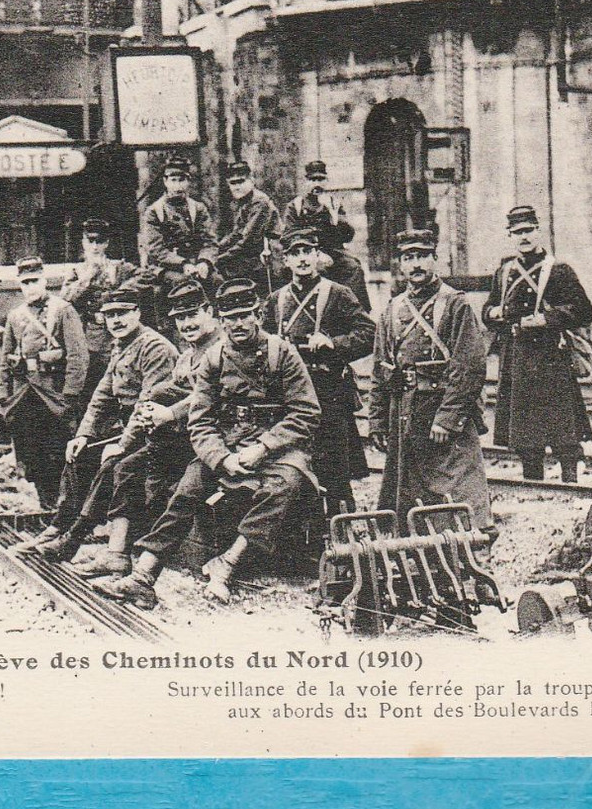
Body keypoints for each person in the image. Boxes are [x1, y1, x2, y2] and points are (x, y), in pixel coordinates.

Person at [96, 279, 320, 608]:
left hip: (278, 445)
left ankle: (227, 563)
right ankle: (144, 576)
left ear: (258, 314)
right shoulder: (213, 359)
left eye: (245, 315)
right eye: (231, 317)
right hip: (227, 442)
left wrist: (264, 447)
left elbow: (306, 411)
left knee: (285, 485)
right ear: (221, 319)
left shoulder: (281, 353)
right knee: (189, 488)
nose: (239, 324)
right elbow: (200, 418)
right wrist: (220, 458)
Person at [72, 280, 219, 580]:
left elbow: (210, 394)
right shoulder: (188, 352)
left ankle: (107, 548)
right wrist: (152, 403)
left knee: (141, 471)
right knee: (125, 467)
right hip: (185, 435)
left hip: (214, 440)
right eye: (180, 317)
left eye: (193, 314)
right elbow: (172, 387)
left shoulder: (220, 348)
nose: (187, 323)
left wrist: (166, 411)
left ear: (209, 312)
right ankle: (115, 554)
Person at [23, 287, 177, 560]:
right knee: (80, 453)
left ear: (138, 313)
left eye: (123, 313)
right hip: (132, 426)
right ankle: (59, 525)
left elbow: (147, 404)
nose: (116, 320)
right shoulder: (121, 344)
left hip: (159, 430)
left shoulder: (155, 347)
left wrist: (122, 444)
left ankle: (74, 537)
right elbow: (102, 395)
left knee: (112, 464)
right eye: (110, 315)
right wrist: (83, 434)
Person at [372, 229, 492, 532]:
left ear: (435, 259)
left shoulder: (455, 304)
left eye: (422, 256)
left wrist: (449, 418)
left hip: (443, 417)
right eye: (408, 257)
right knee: (408, 496)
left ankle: (474, 557)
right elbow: (381, 369)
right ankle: (419, 559)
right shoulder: (393, 308)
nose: (416, 265)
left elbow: (469, 366)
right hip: (405, 413)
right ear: (400, 264)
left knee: (461, 492)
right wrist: (377, 421)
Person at [266, 226, 376, 515]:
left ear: (318, 256)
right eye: (294, 253)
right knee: (292, 461)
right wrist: (272, 345)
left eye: (307, 252)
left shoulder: (338, 293)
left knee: (335, 468)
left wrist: (332, 343)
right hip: (287, 394)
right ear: (286, 260)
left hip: (327, 391)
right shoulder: (276, 300)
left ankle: (343, 527)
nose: (302, 259)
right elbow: (259, 344)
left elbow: (368, 333)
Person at [483, 205, 592, 484]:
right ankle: (533, 482)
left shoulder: (558, 271)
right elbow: (488, 309)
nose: (524, 237)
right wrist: (493, 313)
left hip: (551, 359)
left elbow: (583, 311)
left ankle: (570, 482)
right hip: (517, 358)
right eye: (517, 232)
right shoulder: (504, 271)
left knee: (562, 428)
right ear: (509, 235)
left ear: (538, 231)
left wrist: (546, 319)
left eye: (529, 231)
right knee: (525, 431)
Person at [0, 256, 90, 515]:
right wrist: (4, 395)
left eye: (34, 281)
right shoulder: (16, 316)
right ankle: (46, 505)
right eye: (25, 283)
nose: (30, 288)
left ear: (44, 281)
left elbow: (78, 356)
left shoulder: (62, 310)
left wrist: (70, 394)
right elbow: (5, 359)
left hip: (55, 394)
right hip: (27, 394)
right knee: (32, 450)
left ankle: (65, 509)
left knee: (59, 450)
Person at [59, 218, 141, 410]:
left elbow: (143, 277)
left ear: (106, 243)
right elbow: (65, 298)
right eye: (91, 241)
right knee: (91, 382)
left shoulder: (119, 267)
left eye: (100, 242)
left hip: (117, 332)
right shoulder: (77, 271)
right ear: (84, 243)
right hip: (89, 335)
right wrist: (87, 278)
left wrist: (117, 293)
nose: (95, 247)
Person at [281, 159, 368, 306]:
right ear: (306, 182)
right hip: (305, 251)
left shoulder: (333, 203)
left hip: (334, 251)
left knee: (353, 268)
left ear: (326, 181)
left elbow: (348, 236)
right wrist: (315, 252)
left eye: (321, 179)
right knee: (319, 271)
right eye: (313, 179)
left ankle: (354, 309)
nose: (317, 184)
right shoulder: (295, 206)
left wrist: (335, 217)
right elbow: (288, 235)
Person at [140, 153, 217, 297]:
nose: (177, 185)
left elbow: (210, 241)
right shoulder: (154, 211)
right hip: (167, 267)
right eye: (173, 180)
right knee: (184, 284)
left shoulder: (198, 208)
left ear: (188, 181)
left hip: (196, 263)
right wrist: (183, 264)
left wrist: (204, 262)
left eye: (181, 180)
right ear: (165, 181)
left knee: (216, 281)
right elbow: (156, 249)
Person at [215, 159, 280, 287]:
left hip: (269, 255)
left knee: (223, 272)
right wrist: (215, 249)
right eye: (233, 183)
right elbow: (236, 234)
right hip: (252, 253)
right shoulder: (243, 202)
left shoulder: (260, 202)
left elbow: (248, 241)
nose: (237, 187)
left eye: (241, 181)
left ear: (251, 180)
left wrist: (219, 259)